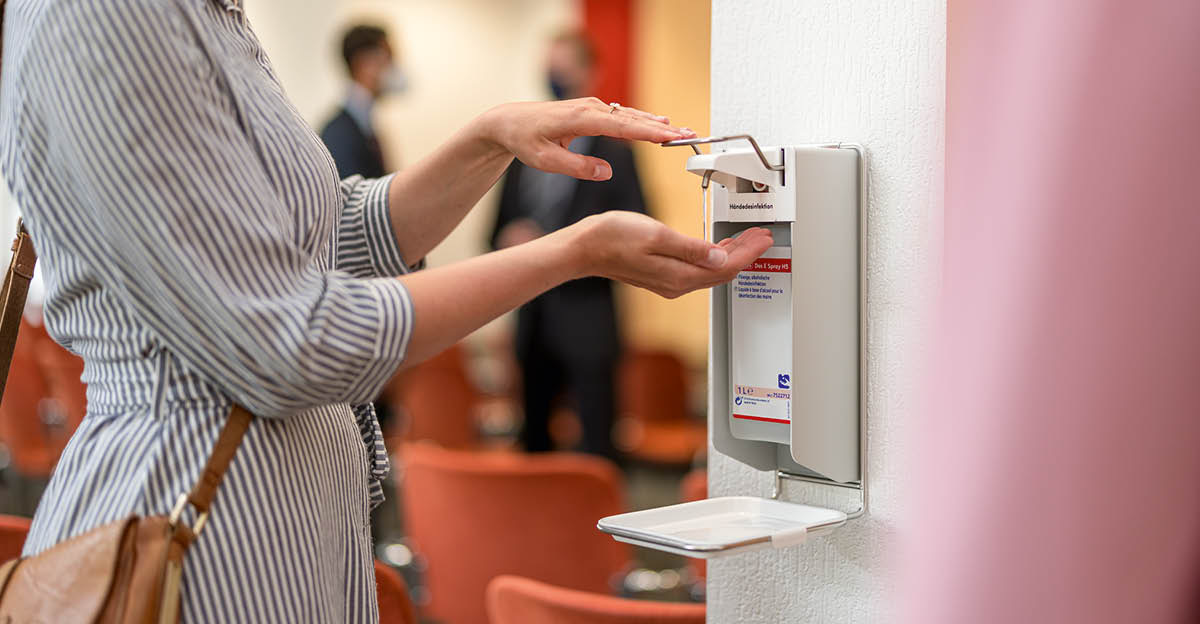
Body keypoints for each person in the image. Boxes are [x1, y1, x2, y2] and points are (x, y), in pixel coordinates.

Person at [0, 0, 772, 621]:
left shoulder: (210, 17)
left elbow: (321, 233)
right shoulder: (108, 13)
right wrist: (572, 253)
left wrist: (486, 137)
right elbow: (288, 339)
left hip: (281, 520)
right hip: (197, 528)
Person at [491, 32, 648, 459]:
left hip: (588, 323)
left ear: (588, 72)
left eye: (564, 67)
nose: (555, 76)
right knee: (533, 447)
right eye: (550, 67)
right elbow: (495, 231)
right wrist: (510, 238)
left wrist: (559, 244)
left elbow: (636, 227)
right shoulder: (523, 151)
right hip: (533, 318)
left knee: (597, 448)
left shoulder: (617, 153)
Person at [319, 24, 405, 180]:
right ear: (364, 64)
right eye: (389, 58)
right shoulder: (338, 134)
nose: (394, 68)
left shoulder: (363, 124)